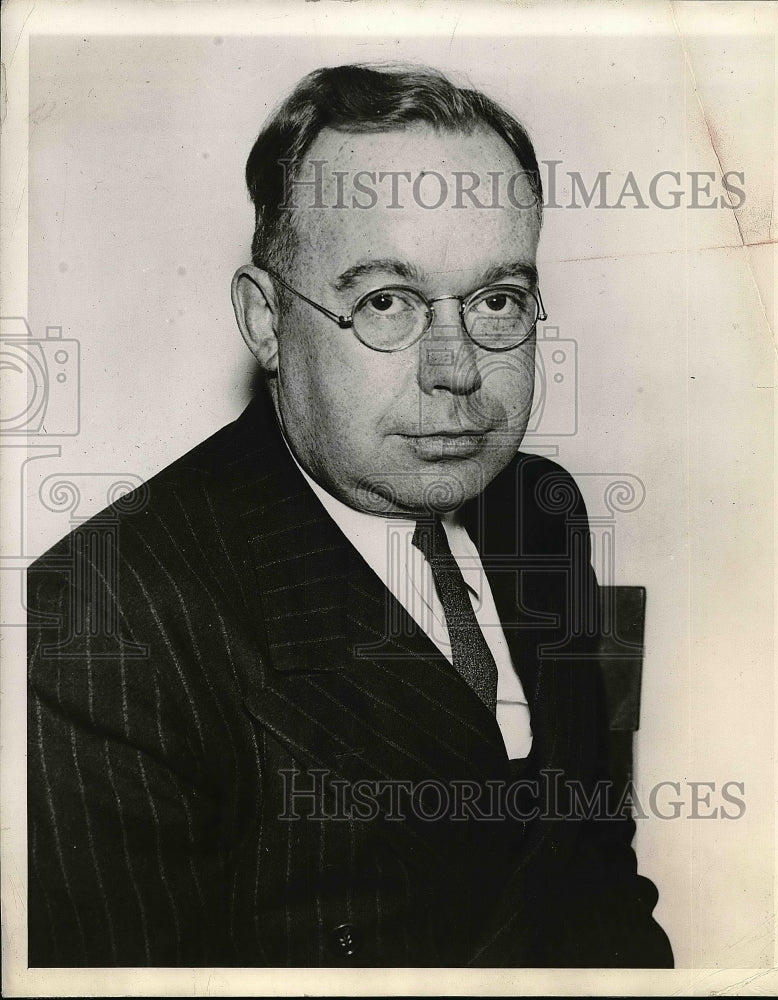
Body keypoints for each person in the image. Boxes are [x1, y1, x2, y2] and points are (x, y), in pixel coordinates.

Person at [27, 63, 673, 968]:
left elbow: (593, 879)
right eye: (385, 303)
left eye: (496, 300)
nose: (455, 369)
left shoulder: (540, 509)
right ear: (265, 321)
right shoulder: (106, 618)